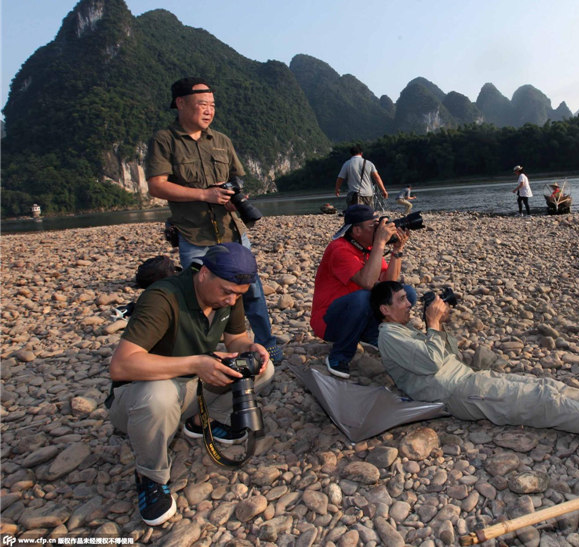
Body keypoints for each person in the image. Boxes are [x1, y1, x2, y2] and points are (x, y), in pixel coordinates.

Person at [371, 280, 579, 456]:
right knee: (546, 403)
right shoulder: (389, 337)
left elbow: (448, 353)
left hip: (470, 380)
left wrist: (440, 324)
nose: (409, 304)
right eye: (402, 300)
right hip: (459, 394)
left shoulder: (403, 330)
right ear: (385, 309)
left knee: (552, 388)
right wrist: (433, 323)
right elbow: (432, 361)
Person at [107, 242, 275, 526]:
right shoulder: (162, 298)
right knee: (158, 396)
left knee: (261, 368)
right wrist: (197, 363)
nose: (232, 300)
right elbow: (121, 365)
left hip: (188, 387)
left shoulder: (230, 294)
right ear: (203, 273)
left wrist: (250, 348)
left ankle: (200, 422)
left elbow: (235, 340)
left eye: (239, 295)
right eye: (227, 292)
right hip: (139, 400)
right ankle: (150, 475)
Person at [146, 77, 283, 365]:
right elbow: (156, 186)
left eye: (212, 105)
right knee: (196, 294)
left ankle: (266, 344)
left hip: (232, 230)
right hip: (194, 233)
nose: (209, 110)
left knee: (252, 291)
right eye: (202, 104)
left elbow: (236, 177)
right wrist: (204, 194)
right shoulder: (164, 140)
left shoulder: (221, 140)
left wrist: (234, 197)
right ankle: (197, 351)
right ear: (181, 103)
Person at [310, 205, 417, 379]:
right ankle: (339, 355)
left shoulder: (367, 249)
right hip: (329, 320)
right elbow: (368, 283)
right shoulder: (339, 249)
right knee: (363, 298)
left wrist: (397, 250)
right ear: (357, 230)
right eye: (373, 226)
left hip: (358, 314)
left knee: (405, 294)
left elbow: (389, 285)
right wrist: (380, 243)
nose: (379, 229)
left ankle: (372, 335)